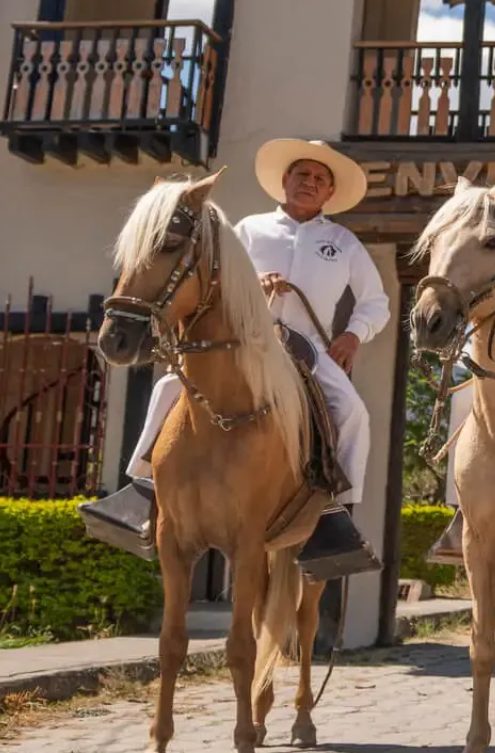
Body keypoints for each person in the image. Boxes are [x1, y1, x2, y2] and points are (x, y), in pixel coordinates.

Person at [82, 139, 389, 577]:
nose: (310, 183)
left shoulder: (344, 242)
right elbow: (213, 279)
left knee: (353, 412)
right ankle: (144, 488)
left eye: (321, 180)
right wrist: (252, 283)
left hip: (309, 348)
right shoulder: (249, 229)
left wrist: (353, 337)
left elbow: (376, 303)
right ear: (284, 181)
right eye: (302, 174)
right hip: (244, 339)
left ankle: (332, 517)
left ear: (329, 195)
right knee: (170, 386)